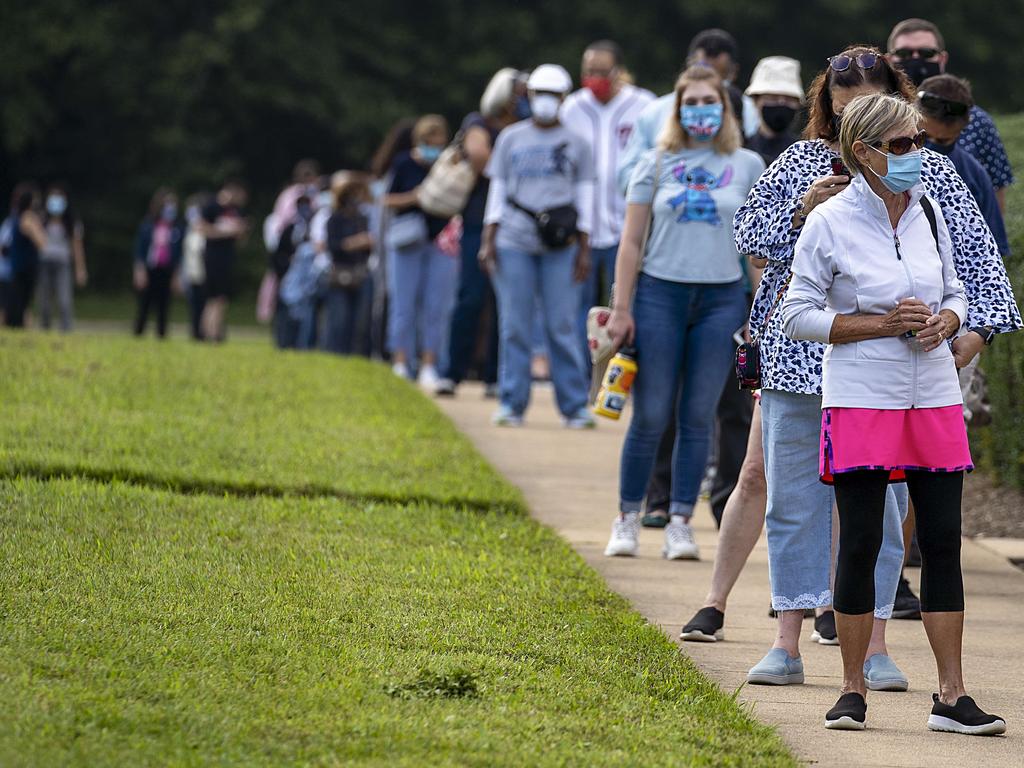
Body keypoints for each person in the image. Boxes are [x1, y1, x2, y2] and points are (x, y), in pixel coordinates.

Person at [720, 46, 1020, 693]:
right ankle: (787, 639)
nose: (856, 103)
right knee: (792, 501)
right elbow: (746, 235)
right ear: (826, 103)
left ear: (900, 96)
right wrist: (803, 209)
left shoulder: (930, 174)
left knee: (882, 513)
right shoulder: (800, 164)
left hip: (896, 377)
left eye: (874, 91)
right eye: (843, 94)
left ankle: (876, 644)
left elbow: (977, 257)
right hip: (802, 360)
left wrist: (977, 331)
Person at [783, 91, 1008, 735]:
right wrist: (881, 325)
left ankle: (952, 694)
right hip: (863, 395)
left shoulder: (930, 211)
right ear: (864, 151)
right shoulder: (830, 221)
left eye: (919, 142)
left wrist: (950, 319)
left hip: (934, 393)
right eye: (903, 145)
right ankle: (851, 690)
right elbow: (797, 313)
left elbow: (960, 288)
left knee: (941, 543)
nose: (917, 155)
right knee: (860, 539)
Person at [603, 65, 765, 560]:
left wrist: (760, 313)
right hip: (659, 295)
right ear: (677, 109)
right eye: (690, 101)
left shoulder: (747, 164)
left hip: (720, 300)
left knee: (699, 416)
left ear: (725, 108)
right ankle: (628, 515)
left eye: (708, 101)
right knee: (650, 413)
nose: (700, 110)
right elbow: (631, 242)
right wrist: (621, 307)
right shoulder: (654, 162)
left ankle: (680, 520)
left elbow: (757, 247)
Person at [480, 63, 595, 429]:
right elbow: (497, 192)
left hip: (560, 245)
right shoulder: (511, 138)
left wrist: (585, 248)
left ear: (563, 99)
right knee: (514, 323)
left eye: (553, 95)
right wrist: (489, 239)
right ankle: (512, 402)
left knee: (561, 324)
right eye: (539, 94)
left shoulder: (578, 142)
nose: (545, 102)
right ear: (528, 97)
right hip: (514, 239)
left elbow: (585, 198)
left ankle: (574, 405)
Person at [561, 41, 655, 376]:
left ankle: (621, 378)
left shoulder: (644, 105)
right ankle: (580, 382)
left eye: (602, 72)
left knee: (625, 308)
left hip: (626, 226)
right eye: (589, 71)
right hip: (581, 228)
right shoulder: (571, 108)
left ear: (617, 72)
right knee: (576, 311)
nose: (595, 78)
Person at [436, 68, 528, 397]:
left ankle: (494, 375)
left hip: (516, 223)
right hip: (478, 220)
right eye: (520, 92)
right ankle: (451, 371)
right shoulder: (479, 122)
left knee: (505, 303)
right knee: (471, 297)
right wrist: (516, 166)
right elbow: (478, 155)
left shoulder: (527, 128)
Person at [886, 18, 1014, 213]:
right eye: (904, 53)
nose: (915, 59)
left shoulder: (977, 121)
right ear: (889, 60)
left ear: (942, 59)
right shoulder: (878, 121)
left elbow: (995, 197)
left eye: (926, 53)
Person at [383, 114, 456, 389]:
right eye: (429, 141)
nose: (434, 146)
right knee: (403, 303)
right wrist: (415, 196)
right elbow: (387, 199)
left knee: (436, 306)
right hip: (408, 240)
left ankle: (429, 364)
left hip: (440, 242)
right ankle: (401, 360)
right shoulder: (403, 163)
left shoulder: (448, 165)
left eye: (438, 141)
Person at [917, 76, 1010, 256]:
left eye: (943, 141)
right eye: (924, 138)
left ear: (962, 129)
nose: (931, 149)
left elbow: (992, 250)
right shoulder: (891, 164)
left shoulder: (974, 173)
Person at [323, 171, 374, 355]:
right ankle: (336, 353)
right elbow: (332, 247)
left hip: (361, 273)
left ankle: (356, 354)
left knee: (360, 321)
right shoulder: (334, 219)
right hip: (341, 274)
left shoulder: (363, 218)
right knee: (339, 320)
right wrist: (356, 242)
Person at [688, 29, 759, 139]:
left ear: (734, 72)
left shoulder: (751, 111)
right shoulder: (658, 111)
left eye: (718, 77)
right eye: (701, 74)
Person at [199, 181, 247, 342]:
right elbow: (203, 229)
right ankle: (210, 333)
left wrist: (240, 232)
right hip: (213, 257)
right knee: (214, 297)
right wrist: (226, 232)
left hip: (228, 258)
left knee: (221, 298)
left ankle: (214, 332)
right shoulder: (211, 207)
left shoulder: (235, 211)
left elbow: (240, 238)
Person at [133, 188, 184, 338]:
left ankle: (161, 334)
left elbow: (178, 254)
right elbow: (140, 250)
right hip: (150, 269)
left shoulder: (177, 228)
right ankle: (139, 333)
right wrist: (139, 271)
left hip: (167, 270)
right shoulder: (148, 225)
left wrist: (176, 276)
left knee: (164, 305)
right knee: (145, 304)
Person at [36, 183, 86, 332]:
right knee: (44, 301)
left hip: (62, 264)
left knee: (64, 300)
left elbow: (77, 247)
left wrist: (80, 269)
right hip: (44, 263)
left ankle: (66, 330)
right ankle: (45, 329)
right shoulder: (41, 220)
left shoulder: (71, 223)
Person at [745, 56, 804, 165]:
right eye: (772, 97)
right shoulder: (741, 150)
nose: (781, 103)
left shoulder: (805, 155)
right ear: (755, 100)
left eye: (789, 99)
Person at [4, 183, 47, 328]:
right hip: (26, 266)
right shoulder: (28, 217)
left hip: (17, 265)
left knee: (16, 300)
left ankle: (15, 326)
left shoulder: (15, 217)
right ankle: (17, 326)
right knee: (22, 302)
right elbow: (41, 243)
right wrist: (39, 226)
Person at [181, 195, 207, 341]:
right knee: (194, 307)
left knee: (206, 306)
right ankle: (195, 333)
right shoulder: (187, 232)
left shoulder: (206, 232)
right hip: (191, 274)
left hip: (205, 275)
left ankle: (206, 332)